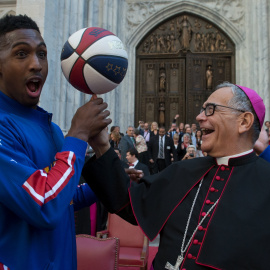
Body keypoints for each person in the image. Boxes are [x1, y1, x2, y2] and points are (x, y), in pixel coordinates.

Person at [83, 82, 270, 270]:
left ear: (244, 122)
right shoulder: (184, 170)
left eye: (211, 109)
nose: (199, 117)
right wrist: (102, 147)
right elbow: (131, 202)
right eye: (202, 109)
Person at [0, 14, 112, 270]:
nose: (36, 64)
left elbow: (64, 197)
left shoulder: (50, 128)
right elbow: (44, 204)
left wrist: (106, 181)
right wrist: (78, 135)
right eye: (21, 54)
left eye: (42, 53)